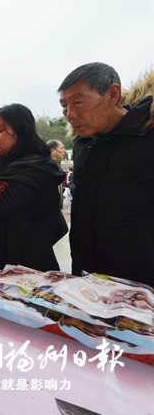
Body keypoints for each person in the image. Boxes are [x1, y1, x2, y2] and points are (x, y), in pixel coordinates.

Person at [58, 62, 154, 285]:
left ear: (112, 94)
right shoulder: (83, 143)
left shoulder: (147, 136)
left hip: (139, 280)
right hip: (86, 273)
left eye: (78, 102)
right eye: (64, 106)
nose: (70, 114)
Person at [0, 104, 67, 271]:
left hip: (16, 272)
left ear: (22, 132)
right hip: (12, 264)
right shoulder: (20, 166)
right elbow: (59, 226)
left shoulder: (28, 172)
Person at [46, 139, 66, 208]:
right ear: (52, 151)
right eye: (61, 148)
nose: (64, 151)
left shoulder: (54, 164)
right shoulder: (49, 166)